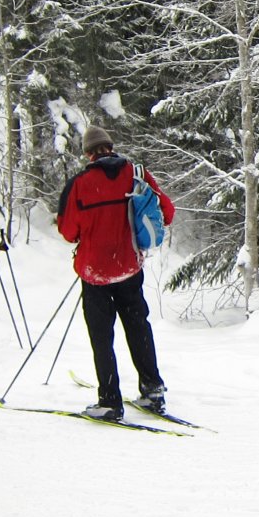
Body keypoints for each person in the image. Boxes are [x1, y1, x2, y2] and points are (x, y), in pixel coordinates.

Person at [56, 125, 175, 421]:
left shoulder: (79, 184)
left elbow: (68, 231)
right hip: (129, 267)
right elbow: (167, 212)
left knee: (101, 336)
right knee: (138, 328)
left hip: (94, 272)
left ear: (87, 153)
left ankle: (110, 400)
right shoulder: (136, 174)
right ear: (111, 146)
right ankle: (152, 390)